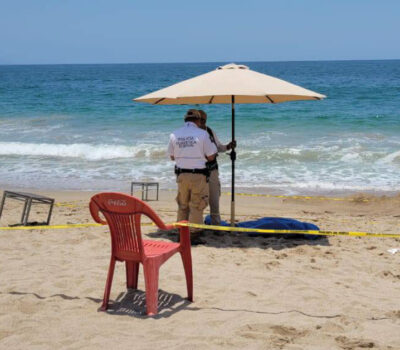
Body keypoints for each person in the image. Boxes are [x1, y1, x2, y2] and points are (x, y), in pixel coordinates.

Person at [167, 109, 217, 244]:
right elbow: (211, 156)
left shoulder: (174, 134)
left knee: (183, 204)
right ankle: (193, 235)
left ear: (185, 120)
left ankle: (181, 232)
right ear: (198, 120)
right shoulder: (203, 134)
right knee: (196, 205)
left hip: (181, 174)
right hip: (198, 175)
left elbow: (172, 156)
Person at [198, 110, 236, 226]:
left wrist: (229, 146)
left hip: (213, 170)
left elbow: (218, 147)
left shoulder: (209, 131)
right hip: (198, 172)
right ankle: (196, 224)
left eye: (204, 120)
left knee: (215, 198)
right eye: (200, 120)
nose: (203, 122)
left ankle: (216, 224)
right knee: (199, 200)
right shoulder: (192, 134)